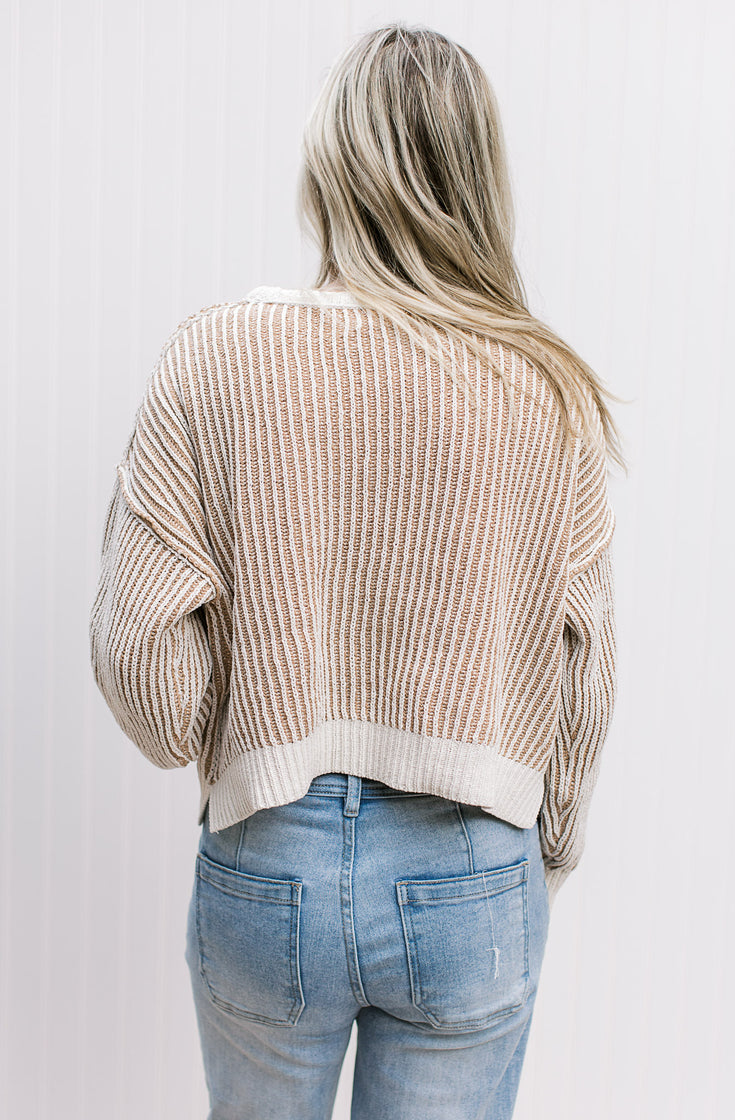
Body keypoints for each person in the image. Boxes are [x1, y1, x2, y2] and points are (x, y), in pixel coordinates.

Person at [89, 21, 626, 1120]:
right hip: (474, 866)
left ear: (330, 165)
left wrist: (235, 718)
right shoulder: (545, 389)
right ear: (480, 178)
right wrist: (544, 854)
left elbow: (143, 667)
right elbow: (584, 677)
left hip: (267, 858)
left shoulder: (216, 355)